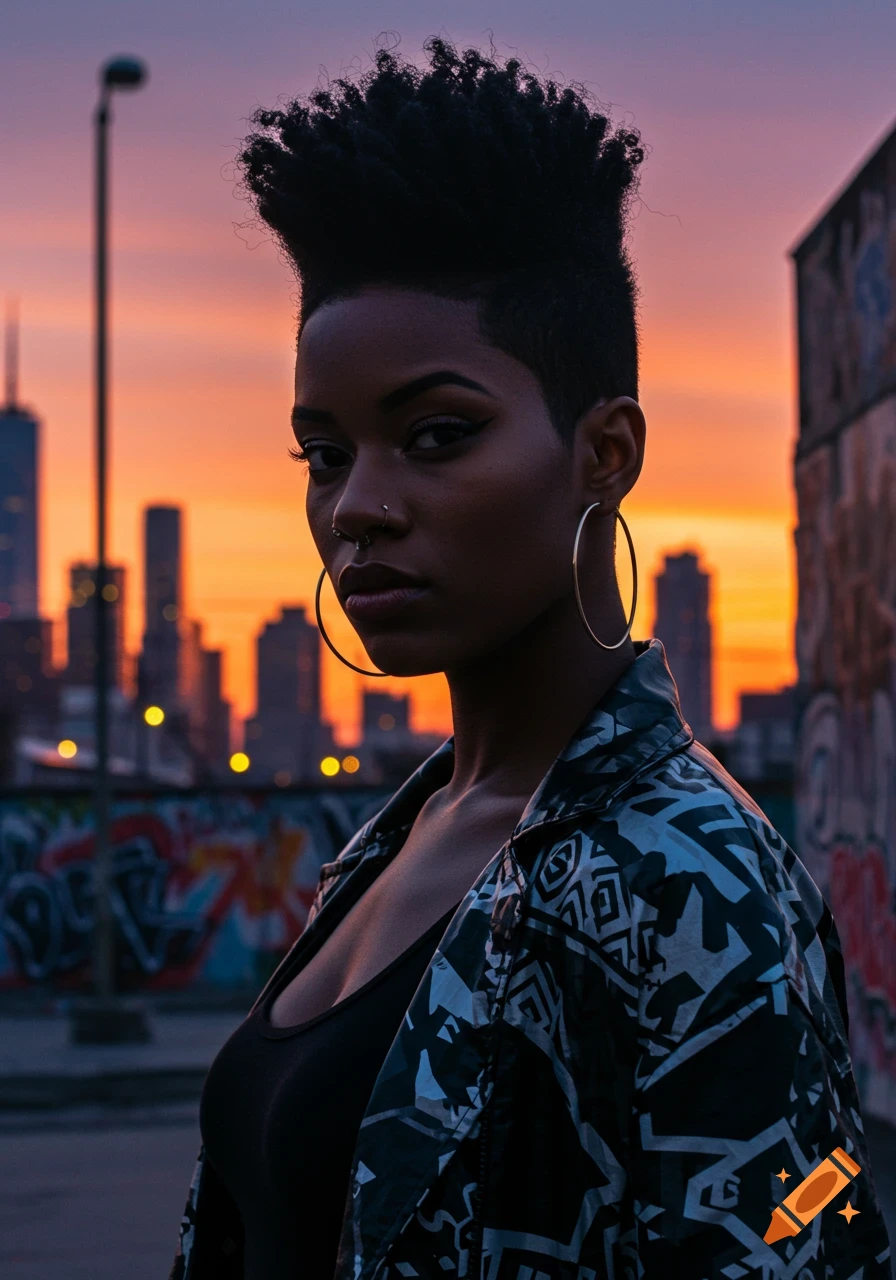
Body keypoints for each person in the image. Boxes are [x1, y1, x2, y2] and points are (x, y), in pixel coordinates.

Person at [169, 35, 893, 1280]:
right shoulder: (402, 833)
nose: (356, 507)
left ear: (604, 452)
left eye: (435, 434)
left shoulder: (688, 883)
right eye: (324, 451)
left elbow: (800, 1242)